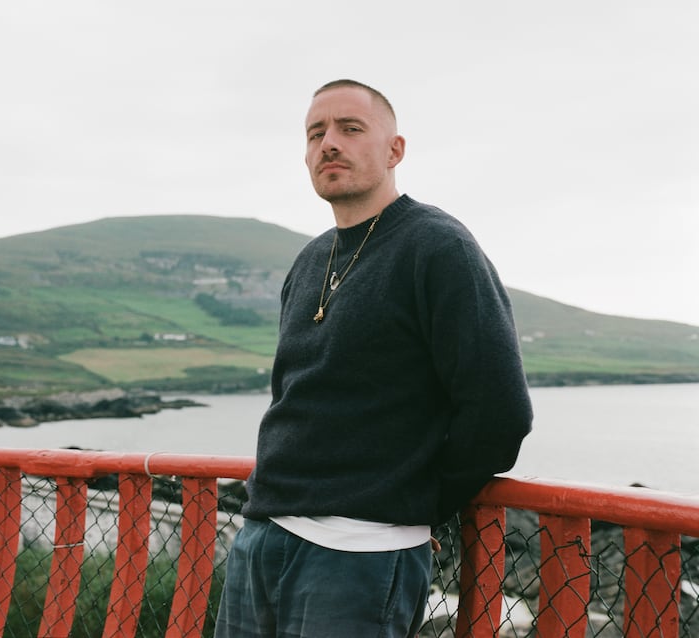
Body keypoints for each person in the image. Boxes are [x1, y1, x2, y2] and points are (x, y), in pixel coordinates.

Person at [214, 79, 533, 638]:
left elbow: (499, 412)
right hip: (262, 538)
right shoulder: (310, 260)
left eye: (350, 128)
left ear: (394, 150)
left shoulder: (439, 247)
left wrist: (417, 503)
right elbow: (294, 395)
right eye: (315, 134)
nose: (329, 144)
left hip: (360, 557)